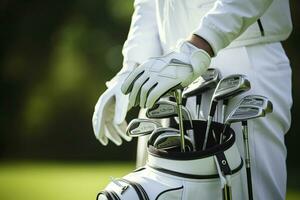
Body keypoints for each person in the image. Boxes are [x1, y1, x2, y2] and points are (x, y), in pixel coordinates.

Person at [92, 0, 293, 199]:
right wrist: (132, 71)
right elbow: (148, 5)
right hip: (165, 67)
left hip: (239, 49)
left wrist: (199, 45)